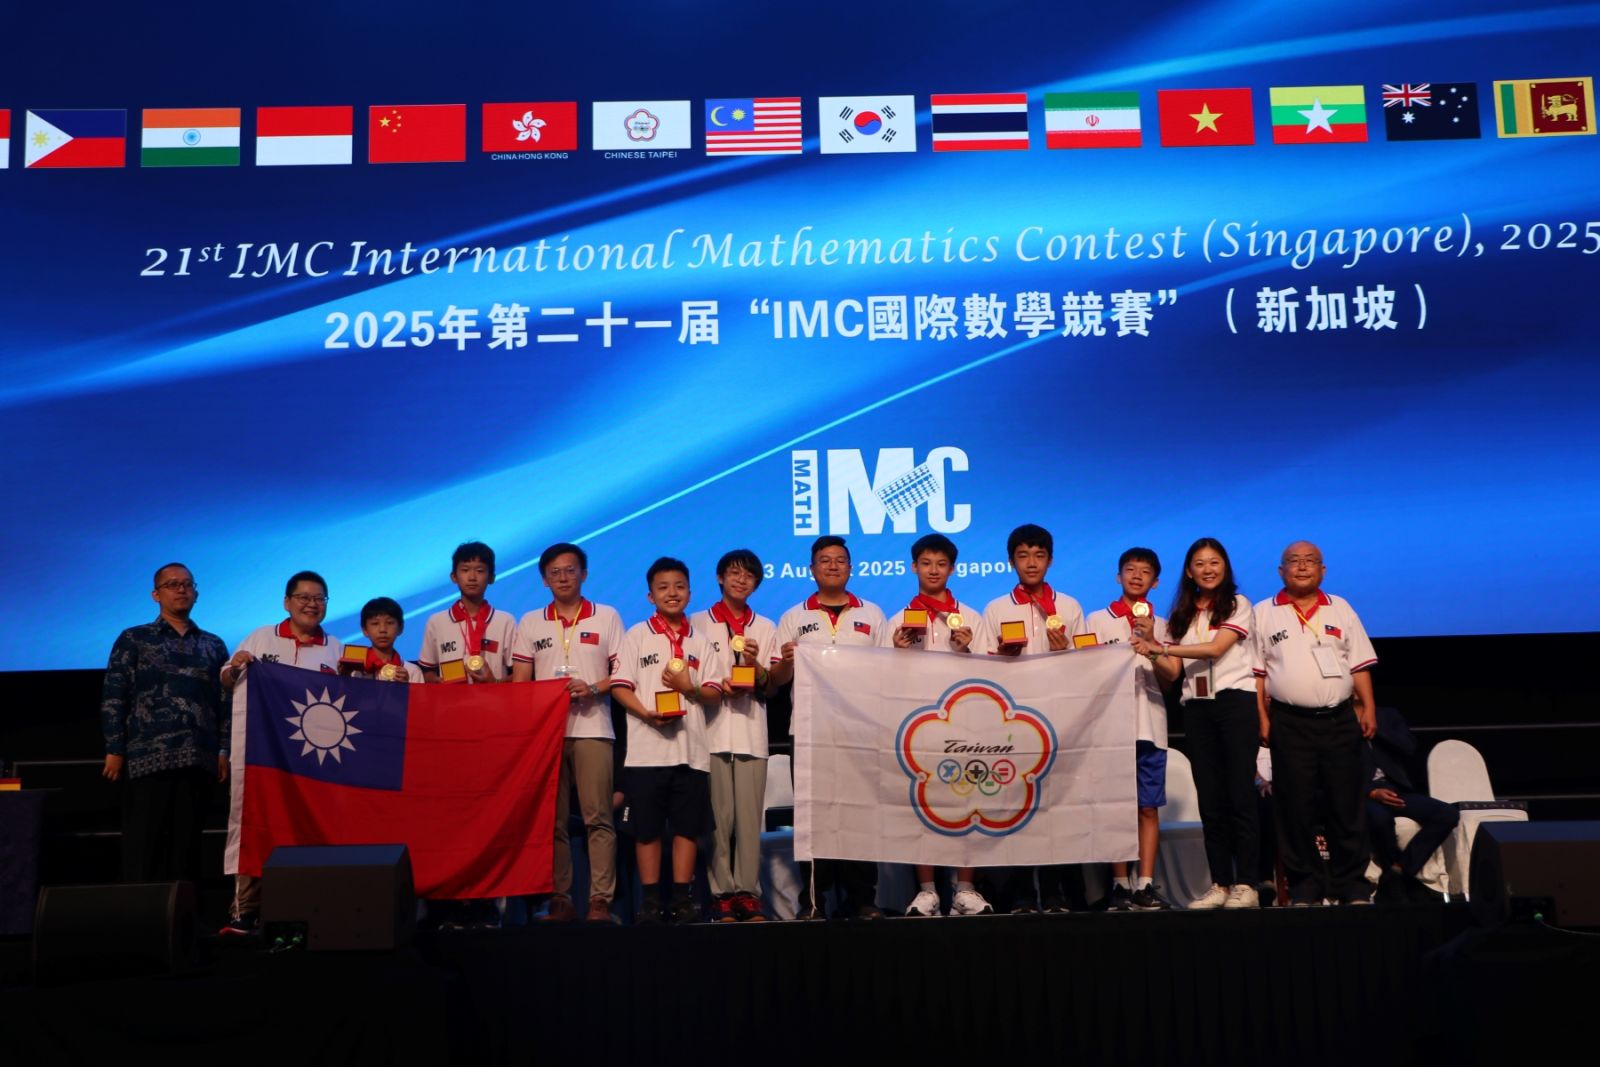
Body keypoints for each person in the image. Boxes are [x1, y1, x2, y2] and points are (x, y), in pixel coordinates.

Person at [1133, 538, 1259, 909]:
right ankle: (1220, 883)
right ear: (1189, 571)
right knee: (1210, 799)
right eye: (1200, 563)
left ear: (1225, 567)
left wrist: (1161, 647)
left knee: (1240, 795)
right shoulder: (1181, 614)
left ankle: (1247, 883)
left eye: (1214, 562)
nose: (1207, 569)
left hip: (1235, 703)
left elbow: (1216, 649)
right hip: (1197, 708)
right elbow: (1173, 672)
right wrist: (1149, 647)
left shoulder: (1237, 604)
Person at [1253, 541, 1378, 906]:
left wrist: (1369, 707)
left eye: (1311, 561)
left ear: (1323, 570)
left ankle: (1352, 885)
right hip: (1290, 722)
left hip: (1340, 719)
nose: (1303, 566)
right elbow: (1257, 674)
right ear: (1281, 571)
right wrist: (1262, 718)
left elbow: (1359, 664)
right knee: (1295, 808)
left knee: (1346, 805)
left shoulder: (1341, 607)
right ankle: (1305, 885)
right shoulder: (1263, 612)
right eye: (1294, 561)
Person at [769, 535, 888, 920]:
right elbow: (776, 680)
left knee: (860, 813)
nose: (833, 566)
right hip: (808, 729)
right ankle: (814, 899)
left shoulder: (873, 614)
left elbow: (887, 670)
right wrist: (786, 662)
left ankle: (862, 897)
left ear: (851, 568)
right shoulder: (793, 617)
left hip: (860, 728)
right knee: (812, 816)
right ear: (812, 569)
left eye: (840, 560)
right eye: (825, 560)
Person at [220, 569, 344, 934]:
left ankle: (309, 910)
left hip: (314, 765)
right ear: (287, 602)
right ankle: (245, 911)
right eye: (304, 597)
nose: (312, 604)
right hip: (266, 758)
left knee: (310, 830)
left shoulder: (337, 648)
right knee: (256, 825)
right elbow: (226, 680)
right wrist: (236, 667)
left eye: (319, 598)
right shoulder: (260, 638)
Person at [510, 543, 626, 924]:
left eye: (570, 570)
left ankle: (600, 901)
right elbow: (521, 682)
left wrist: (591, 688)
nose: (563, 577)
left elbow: (622, 674)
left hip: (594, 727)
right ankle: (560, 899)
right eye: (555, 572)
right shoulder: (530, 622)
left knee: (599, 818)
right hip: (547, 734)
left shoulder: (606, 616)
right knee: (553, 822)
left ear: (584, 574)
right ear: (544, 579)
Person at [101, 563, 230, 885]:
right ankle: (137, 911)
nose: (181, 589)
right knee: (143, 848)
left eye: (187, 584)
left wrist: (223, 750)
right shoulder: (135, 639)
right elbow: (115, 694)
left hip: (198, 760)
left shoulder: (213, 645)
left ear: (196, 593)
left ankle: (182, 913)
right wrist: (115, 748)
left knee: (187, 852)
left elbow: (224, 703)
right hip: (146, 759)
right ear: (156, 595)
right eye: (172, 584)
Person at [609, 557, 721, 924]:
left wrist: (690, 688)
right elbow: (620, 686)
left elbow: (714, 692)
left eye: (679, 586)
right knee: (647, 829)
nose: (672, 593)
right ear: (650, 596)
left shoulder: (700, 641)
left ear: (690, 592)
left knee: (687, 828)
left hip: (691, 751)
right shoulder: (636, 636)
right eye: (663, 587)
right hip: (646, 752)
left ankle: (682, 898)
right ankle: (651, 900)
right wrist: (645, 714)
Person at [981, 523, 1086, 913]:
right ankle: (1022, 891)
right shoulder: (996, 609)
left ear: (1050, 560)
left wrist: (1065, 653)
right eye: (1023, 555)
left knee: (1056, 806)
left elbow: (1090, 665)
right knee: (1017, 805)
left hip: (1060, 721)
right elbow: (982, 668)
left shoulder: (1070, 607)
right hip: (1013, 724)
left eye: (1039, 555)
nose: (1031, 563)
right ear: (1011, 561)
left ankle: (1056, 891)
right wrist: (1003, 657)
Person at [889, 533, 995, 917]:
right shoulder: (898, 621)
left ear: (952, 569)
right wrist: (897, 655)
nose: (933, 570)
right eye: (926, 563)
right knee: (923, 804)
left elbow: (992, 675)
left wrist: (968, 650)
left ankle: (965, 889)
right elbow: (882, 681)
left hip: (966, 726)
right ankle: (927, 891)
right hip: (918, 728)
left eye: (941, 564)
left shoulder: (972, 618)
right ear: (913, 567)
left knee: (969, 802)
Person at [691, 549, 778, 922]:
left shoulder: (766, 627)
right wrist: (713, 686)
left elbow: (772, 685)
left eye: (749, 575)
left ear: (756, 583)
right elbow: (688, 676)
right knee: (718, 821)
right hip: (709, 734)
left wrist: (755, 665)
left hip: (750, 733)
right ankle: (722, 894)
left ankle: (748, 893)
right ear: (720, 577)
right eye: (734, 573)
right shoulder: (697, 622)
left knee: (748, 821)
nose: (741, 580)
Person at [1084, 548, 1172, 911]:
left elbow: (1171, 677)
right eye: (1130, 570)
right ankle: (1119, 883)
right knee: (1114, 807)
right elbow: (1085, 671)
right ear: (1118, 577)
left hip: (1150, 723)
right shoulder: (1096, 619)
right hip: (1108, 727)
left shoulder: (1163, 624)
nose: (1137, 576)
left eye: (1145, 571)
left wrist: (1151, 645)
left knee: (1147, 808)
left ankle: (1145, 883)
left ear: (1156, 581)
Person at [1365, 706, 1456, 904]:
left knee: (1447, 814)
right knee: (1380, 820)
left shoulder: (1386, 715)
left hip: (1394, 788)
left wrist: (1375, 726)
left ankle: (1399, 871)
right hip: (1361, 793)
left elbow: (1409, 747)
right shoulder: (1338, 721)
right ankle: (1393, 878)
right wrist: (1370, 792)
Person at [419, 541, 515, 684]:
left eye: (480, 571)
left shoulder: (505, 621)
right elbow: (427, 672)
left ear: (491, 578)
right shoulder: (437, 621)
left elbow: (520, 673)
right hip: (452, 697)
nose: (472, 577)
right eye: (465, 570)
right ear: (454, 577)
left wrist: (495, 683)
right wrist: (439, 683)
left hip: (493, 698)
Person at [339, 597, 424, 682]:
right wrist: (343, 677)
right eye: (375, 623)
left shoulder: (412, 671)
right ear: (365, 630)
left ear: (400, 628)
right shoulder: (353, 669)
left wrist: (406, 687)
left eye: (389, 623)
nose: (383, 629)